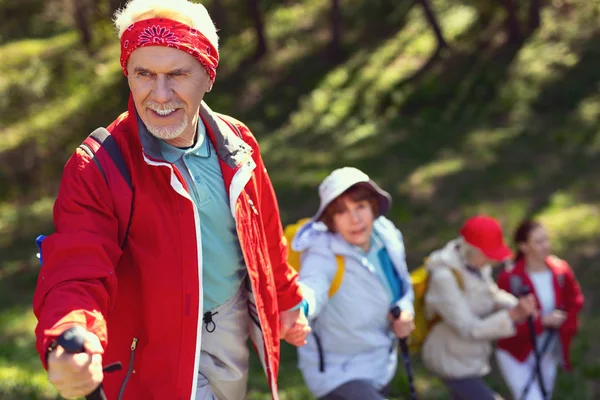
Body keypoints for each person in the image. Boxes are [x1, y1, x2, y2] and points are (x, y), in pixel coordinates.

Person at [32, 1, 310, 399]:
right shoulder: (99, 164)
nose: (159, 95)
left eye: (177, 74)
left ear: (208, 76)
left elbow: (264, 236)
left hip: (229, 329)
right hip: (151, 352)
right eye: (144, 73)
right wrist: (69, 333)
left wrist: (285, 300)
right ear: (127, 74)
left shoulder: (239, 144)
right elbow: (76, 267)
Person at [290, 167, 416, 400]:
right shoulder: (322, 252)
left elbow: (403, 285)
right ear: (330, 220)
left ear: (373, 207)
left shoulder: (386, 235)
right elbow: (312, 285)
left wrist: (406, 311)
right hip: (338, 375)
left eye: (360, 207)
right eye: (341, 212)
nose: (355, 219)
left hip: (381, 366)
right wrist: (300, 308)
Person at [420, 215, 538, 400]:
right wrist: (512, 316)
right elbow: (469, 328)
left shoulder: (475, 266)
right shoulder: (444, 278)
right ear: (472, 251)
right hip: (450, 360)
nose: (492, 262)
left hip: (469, 358)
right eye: (488, 256)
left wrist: (516, 304)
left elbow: (491, 293)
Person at [495, 220, 584, 400]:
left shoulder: (560, 271)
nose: (546, 246)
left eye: (546, 240)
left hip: (547, 349)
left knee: (544, 396)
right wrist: (541, 322)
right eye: (538, 242)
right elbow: (503, 321)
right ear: (523, 246)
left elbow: (574, 301)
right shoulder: (510, 279)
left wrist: (565, 322)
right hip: (517, 352)